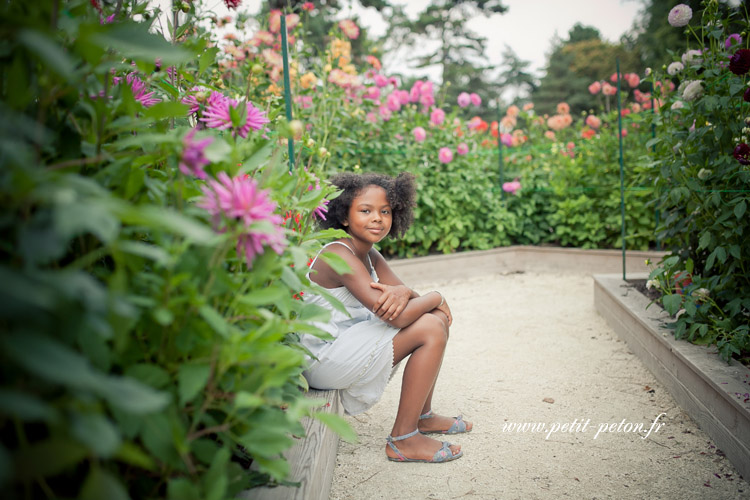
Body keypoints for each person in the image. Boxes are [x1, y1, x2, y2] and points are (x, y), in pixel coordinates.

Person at [300, 171, 472, 464]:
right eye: (365, 211)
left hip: (345, 344)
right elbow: (400, 315)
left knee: (435, 321)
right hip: (322, 357)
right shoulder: (338, 254)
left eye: (385, 211)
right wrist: (437, 297)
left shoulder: (369, 254)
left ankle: (423, 416)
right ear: (343, 217)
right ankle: (403, 439)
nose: (377, 218)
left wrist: (408, 293)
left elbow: (405, 298)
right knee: (431, 324)